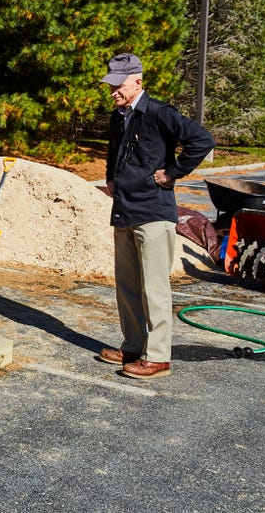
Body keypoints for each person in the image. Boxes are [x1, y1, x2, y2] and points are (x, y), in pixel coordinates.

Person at [97, 53, 215, 379]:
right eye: (110, 86)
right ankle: (134, 345)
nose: (113, 92)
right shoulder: (118, 116)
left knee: (154, 287)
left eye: (118, 86)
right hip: (125, 210)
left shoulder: (159, 113)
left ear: (138, 81)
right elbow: (114, 152)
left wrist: (173, 172)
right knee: (128, 285)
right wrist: (111, 177)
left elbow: (202, 140)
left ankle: (158, 356)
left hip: (153, 212)